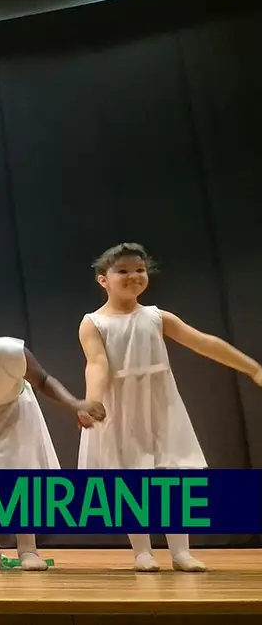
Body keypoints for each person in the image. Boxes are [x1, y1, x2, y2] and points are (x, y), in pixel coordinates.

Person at [79, 242, 262, 572]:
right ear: (102, 279)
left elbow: (204, 342)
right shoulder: (94, 322)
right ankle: (142, 551)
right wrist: (93, 399)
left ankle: (180, 550)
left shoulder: (156, 317)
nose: (134, 276)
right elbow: (97, 364)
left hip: (160, 405)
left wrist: (252, 367)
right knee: (131, 479)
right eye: (123, 271)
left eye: (140, 269)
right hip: (121, 407)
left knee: (174, 475)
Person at [0, 302, 105, 571]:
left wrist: (75, 404)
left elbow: (44, 380)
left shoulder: (12, 352)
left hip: (16, 411)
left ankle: (28, 549)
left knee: (22, 480)